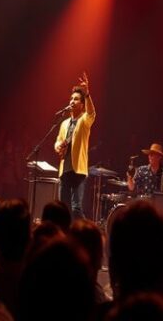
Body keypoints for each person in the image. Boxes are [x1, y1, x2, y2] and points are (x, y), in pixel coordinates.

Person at [53, 72, 95, 219]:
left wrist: (87, 93)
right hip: (65, 169)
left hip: (78, 170)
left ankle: (83, 235)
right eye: (71, 98)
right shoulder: (64, 123)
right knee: (63, 209)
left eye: (76, 99)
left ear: (82, 105)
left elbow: (92, 113)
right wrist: (58, 146)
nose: (72, 101)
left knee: (76, 208)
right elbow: (57, 140)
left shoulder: (84, 120)